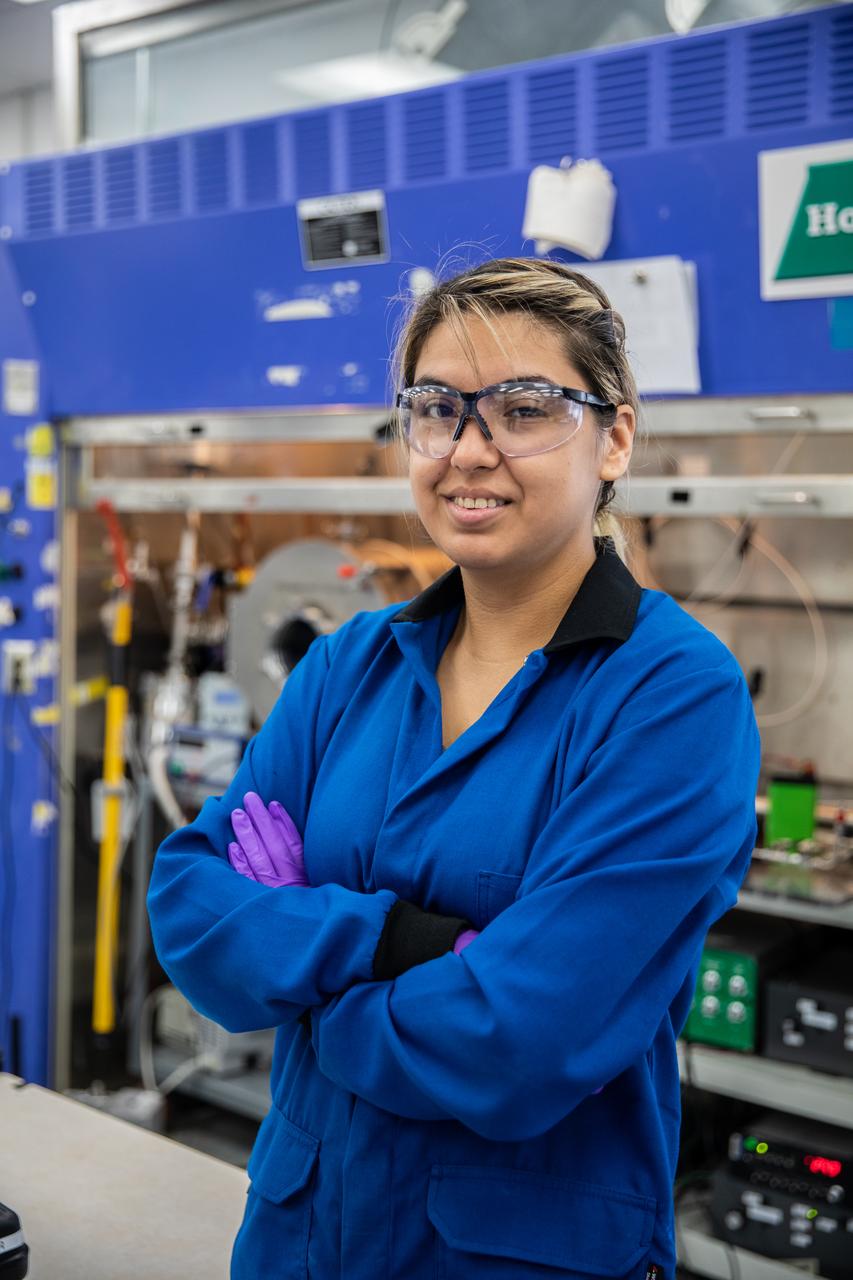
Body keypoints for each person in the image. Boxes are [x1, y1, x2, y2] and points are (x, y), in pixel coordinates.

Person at [147, 257, 760, 1279]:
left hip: (512, 1253)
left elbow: (519, 1038)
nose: (469, 450)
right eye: (437, 409)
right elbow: (191, 906)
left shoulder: (672, 695)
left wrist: (301, 969)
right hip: (301, 1237)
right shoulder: (350, 663)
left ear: (613, 438)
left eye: (523, 409)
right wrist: (396, 938)